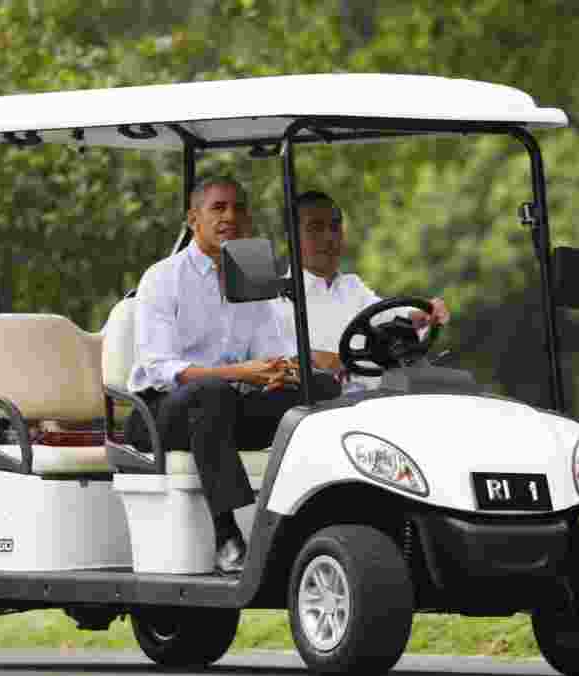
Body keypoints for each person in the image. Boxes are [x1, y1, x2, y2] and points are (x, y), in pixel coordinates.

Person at [125, 177, 340, 575]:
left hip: (221, 413)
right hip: (157, 415)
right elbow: (159, 368)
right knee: (212, 392)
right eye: (219, 208)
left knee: (321, 387)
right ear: (194, 219)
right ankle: (228, 533)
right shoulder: (163, 277)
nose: (231, 217)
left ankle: (314, 526)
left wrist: (283, 373)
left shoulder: (252, 274)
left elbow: (269, 350)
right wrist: (241, 372)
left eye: (240, 209)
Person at [274, 190, 450, 392]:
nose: (329, 237)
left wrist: (423, 313)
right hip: (322, 410)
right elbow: (273, 362)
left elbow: (390, 314)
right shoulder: (275, 301)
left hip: (380, 400)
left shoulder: (353, 287)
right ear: (291, 237)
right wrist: (311, 358)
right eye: (315, 228)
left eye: (334, 227)